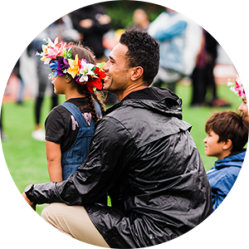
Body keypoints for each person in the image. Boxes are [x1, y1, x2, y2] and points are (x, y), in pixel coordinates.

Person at [21, 29, 212, 248]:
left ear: (135, 73)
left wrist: (33, 192)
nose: (104, 67)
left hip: (155, 233)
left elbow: (83, 187)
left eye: (111, 61)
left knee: (54, 213)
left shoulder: (119, 123)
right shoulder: (163, 110)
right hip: (187, 222)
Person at [37, 38, 106, 182]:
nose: (52, 78)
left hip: (70, 192)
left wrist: (57, 196)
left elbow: (52, 160)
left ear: (68, 77)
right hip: (96, 191)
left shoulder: (58, 115)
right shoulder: (98, 108)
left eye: (54, 71)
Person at [28, 15, 80, 141]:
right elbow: (37, 41)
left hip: (59, 63)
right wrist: (54, 40)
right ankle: (37, 127)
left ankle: (54, 125)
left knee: (55, 94)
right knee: (40, 94)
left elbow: (72, 35)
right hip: (44, 63)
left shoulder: (66, 20)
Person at [148, 6, 202, 93]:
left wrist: (158, 33)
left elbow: (164, 33)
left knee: (170, 90)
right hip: (161, 60)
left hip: (174, 62)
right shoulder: (164, 17)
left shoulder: (182, 19)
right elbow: (151, 32)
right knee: (155, 87)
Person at [204, 110, 248, 212]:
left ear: (226, 144)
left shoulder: (230, 175)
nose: (205, 140)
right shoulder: (224, 166)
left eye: (210, 135)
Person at [190, 29, 231, 107]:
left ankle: (212, 97)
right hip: (204, 55)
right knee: (203, 77)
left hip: (209, 55)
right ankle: (203, 99)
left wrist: (208, 54)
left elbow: (212, 42)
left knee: (208, 77)